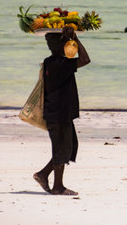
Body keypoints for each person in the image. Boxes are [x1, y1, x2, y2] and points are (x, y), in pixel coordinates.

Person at [33, 26, 90, 196]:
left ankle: (44, 175)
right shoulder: (61, 63)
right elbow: (85, 59)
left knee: (68, 147)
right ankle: (57, 186)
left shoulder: (50, 61)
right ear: (60, 46)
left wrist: (69, 39)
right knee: (62, 149)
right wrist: (75, 39)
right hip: (59, 114)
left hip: (59, 112)